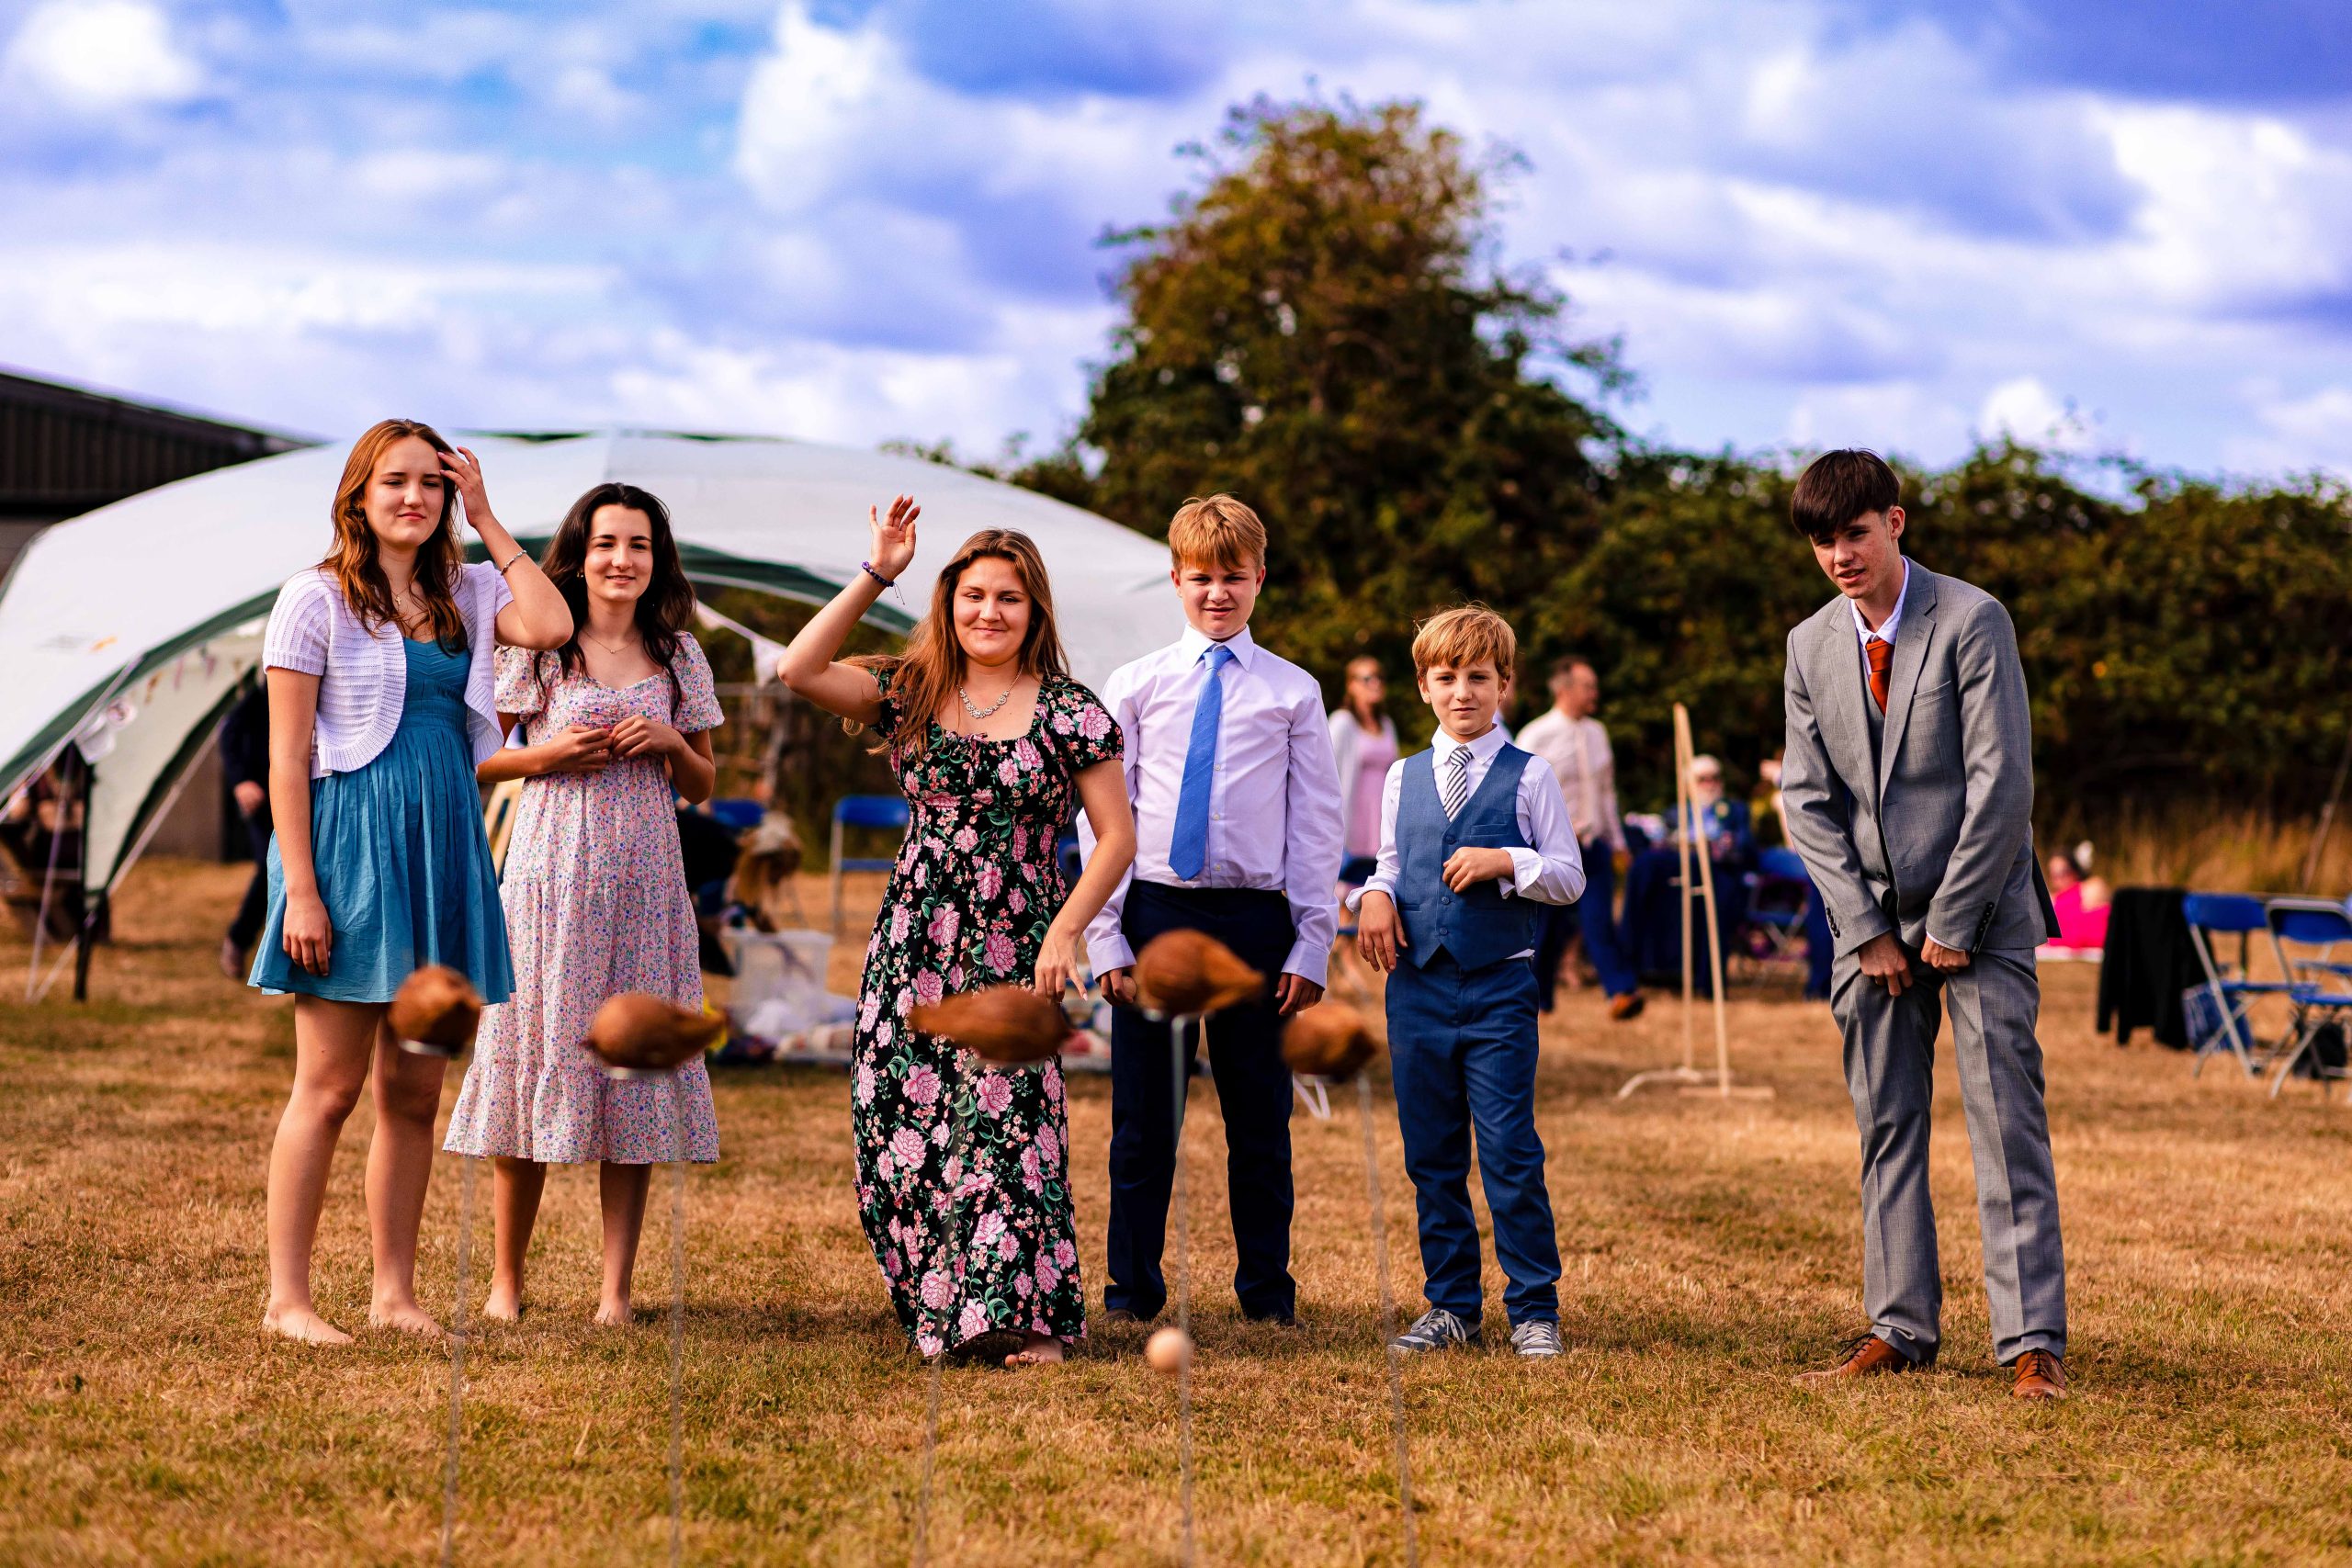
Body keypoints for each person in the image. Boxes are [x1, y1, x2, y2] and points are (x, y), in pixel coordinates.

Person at [778, 502, 1136, 1369]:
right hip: (913, 937)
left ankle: (1035, 1322)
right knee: (895, 1120)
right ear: (949, 604)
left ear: (1034, 611)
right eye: (973, 596)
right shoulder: (910, 694)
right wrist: (879, 572)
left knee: (1011, 1126)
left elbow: (1117, 837)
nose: (989, 612)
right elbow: (798, 668)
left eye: (1008, 598)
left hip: (1018, 939)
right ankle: (948, 1310)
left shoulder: (1070, 713)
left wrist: (1066, 933)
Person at [251, 419, 571, 1345]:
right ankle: (289, 1301)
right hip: (348, 848)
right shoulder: (311, 601)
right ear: (358, 494)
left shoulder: (469, 588)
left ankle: (394, 1296)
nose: (412, 499)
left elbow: (549, 624)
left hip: (443, 847)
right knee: (331, 1086)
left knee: (416, 1090)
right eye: (394, 482)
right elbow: (285, 761)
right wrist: (301, 889)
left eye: (431, 485)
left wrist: (490, 518)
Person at [1778, 448, 2068, 1402]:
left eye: (1854, 534)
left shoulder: (1973, 619)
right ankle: (1899, 1327)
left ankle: (2030, 1342)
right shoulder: (1807, 645)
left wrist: (1953, 918)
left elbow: (2002, 784)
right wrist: (1864, 929)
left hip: (1980, 916)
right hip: (1870, 936)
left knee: (2004, 1123)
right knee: (1886, 1127)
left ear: (1894, 522)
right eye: (1823, 542)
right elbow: (1806, 803)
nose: (1839, 556)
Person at [442, 482, 726, 1325]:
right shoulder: (540, 645)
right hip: (548, 878)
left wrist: (673, 741)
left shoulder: (680, 656)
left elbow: (706, 785)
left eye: (637, 545)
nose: (621, 560)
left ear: (655, 559)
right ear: (581, 551)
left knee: (631, 1070)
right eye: (606, 544)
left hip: (647, 884)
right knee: (531, 1058)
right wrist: (548, 755)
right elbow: (475, 759)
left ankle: (615, 1291)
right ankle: (505, 1283)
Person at [1081, 493, 1345, 1330]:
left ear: (1260, 578)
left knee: (1259, 1118)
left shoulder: (1294, 693)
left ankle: (1267, 1293)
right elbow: (1105, 823)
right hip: (1155, 913)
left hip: (1255, 925)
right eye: (1201, 577)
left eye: (1234, 577)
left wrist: (1311, 945)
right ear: (1176, 578)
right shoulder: (1134, 685)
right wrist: (1105, 932)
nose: (1218, 593)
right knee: (1143, 1123)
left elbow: (1315, 826)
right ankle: (1131, 1293)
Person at [1351, 605, 1584, 1359]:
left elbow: (1570, 876)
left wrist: (1507, 863)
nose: (1462, 692)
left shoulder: (1532, 774)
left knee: (1510, 1149)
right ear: (1422, 686)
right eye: (1445, 678)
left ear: (1505, 684)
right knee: (1431, 1153)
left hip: (1498, 989)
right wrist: (1374, 896)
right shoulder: (1401, 775)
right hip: (1415, 989)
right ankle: (1452, 1304)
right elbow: (1388, 862)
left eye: (1477, 677)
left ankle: (1533, 1309)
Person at [1515, 656, 1641, 1020]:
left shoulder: (1598, 733)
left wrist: (1617, 840)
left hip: (1593, 843)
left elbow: (1606, 792)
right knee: (1548, 927)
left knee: (1599, 919)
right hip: (1550, 846)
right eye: (1588, 687)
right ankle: (1537, 999)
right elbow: (1521, 794)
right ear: (1565, 689)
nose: (1594, 694)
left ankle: (1620, 993)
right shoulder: (1536, 735)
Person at [218, 676, 273, 980]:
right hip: (262, 800)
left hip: (302, 795)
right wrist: (241, 781)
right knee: (271, 869)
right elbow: (228, 735)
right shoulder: (256, 697)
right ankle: (238, 940)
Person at [1328, 656, 1398, 887]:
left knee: (1376, 880)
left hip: (1381, 814)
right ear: (1352, 685)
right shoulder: (1342, 722)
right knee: (1346, 885)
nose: (1375, 683)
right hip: (1353, 814)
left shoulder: (1386, 724)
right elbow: (1327, 773)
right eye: (1367, 678)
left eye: (1379, 677)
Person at [2044, 847, 2111, 953]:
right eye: (2054, 874)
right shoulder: (2051, 899)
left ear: (2075, 870)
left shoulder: (2090, 887)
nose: (2059, 877)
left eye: (2064, 871)